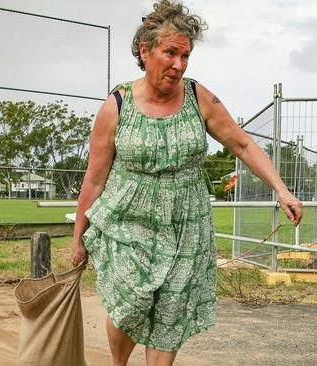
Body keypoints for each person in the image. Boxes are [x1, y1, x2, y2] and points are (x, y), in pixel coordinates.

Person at [70, 1, 303, 365]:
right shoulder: (117, 106)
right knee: (129, 307)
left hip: (186, 224)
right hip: (129, 221)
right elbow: (95, 179)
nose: (179, 65)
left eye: (186, 56)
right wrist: (78, 241)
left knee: (171, 313)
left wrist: (281, 188)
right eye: (171, 53)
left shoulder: (198, 97)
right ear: (145, 52)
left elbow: (241, 143)